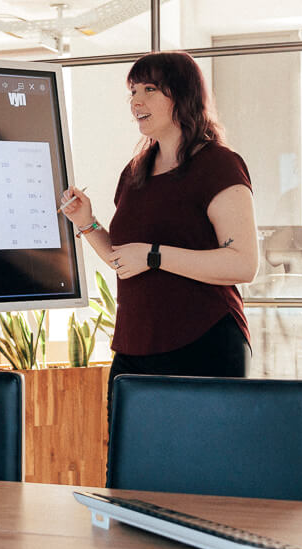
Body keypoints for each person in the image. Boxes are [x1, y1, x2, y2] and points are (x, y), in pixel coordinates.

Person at [57, 51, 259, 378]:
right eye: (133, 91)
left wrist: (154, 256)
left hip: (204, 342)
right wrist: (87, 223)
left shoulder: (219, 164)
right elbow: (125, 261)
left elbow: (243, 263)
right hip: (134, 348)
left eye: (149, 89)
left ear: (181, 95)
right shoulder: (135, 172)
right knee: (122, 432)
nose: (136, 100)